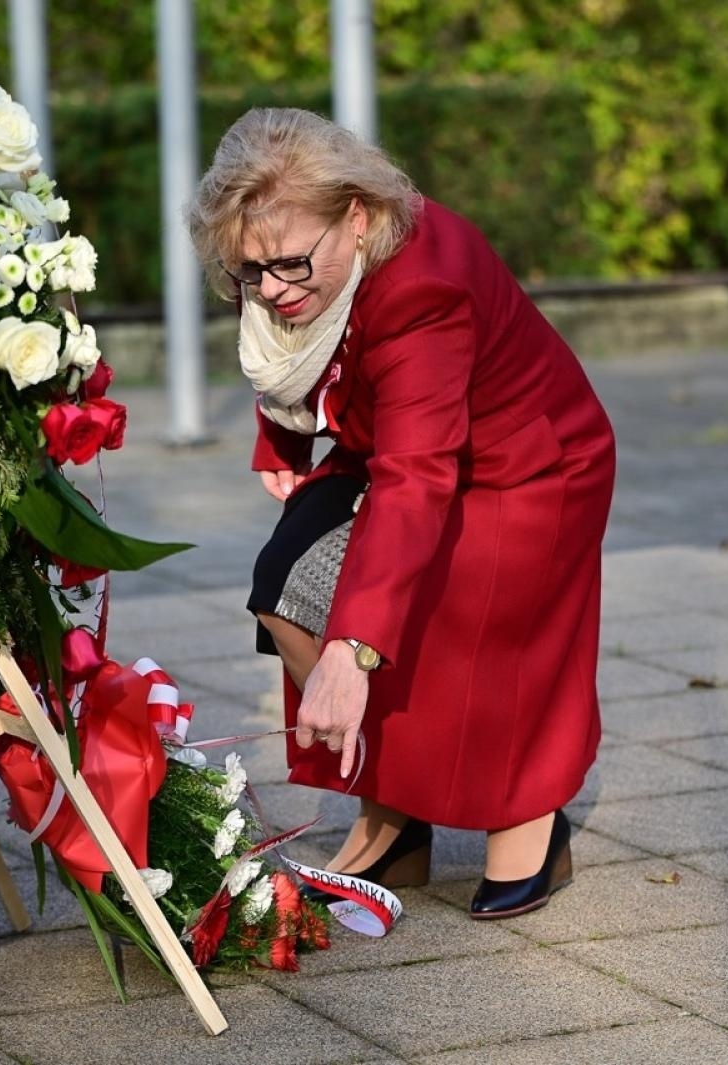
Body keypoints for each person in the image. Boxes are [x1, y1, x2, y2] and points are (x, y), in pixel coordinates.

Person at [187, 108, 615, 919]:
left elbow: (418, 478)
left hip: (524, 470)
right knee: (286, 587)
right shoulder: (294, 264)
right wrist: (281, 443)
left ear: (358, 214)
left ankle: (530, 823)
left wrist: (354, 647)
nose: (272, 290)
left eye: (287, 264)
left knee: (484, 629)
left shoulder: (423, 289)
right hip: (394, 448)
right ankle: (396, 806)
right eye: (249, 270)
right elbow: (287, 357)